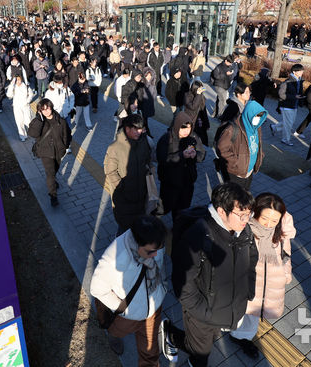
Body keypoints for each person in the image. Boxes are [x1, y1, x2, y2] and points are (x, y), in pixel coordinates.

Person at [160, 183, 258, 367]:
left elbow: (252, 259)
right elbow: (183, 282)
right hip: (203, 312)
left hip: (228, 306)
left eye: (249, 213)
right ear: (221, 211)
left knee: (208, 340)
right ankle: (171, 335)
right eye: (242, 214)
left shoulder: (243, 229)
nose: (247, 219)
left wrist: (248, 290)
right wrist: (202, 311)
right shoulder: (198, 236)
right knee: (200, 353)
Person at [89, 216, 168, 364]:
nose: (156, 254)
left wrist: (163, 285)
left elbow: (160, 265)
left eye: (159, 248)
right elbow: (97, 288)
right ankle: (113, 335)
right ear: (137, 244)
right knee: (116, 331)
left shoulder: (155, 242)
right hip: (128, 316)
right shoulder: (115, 258)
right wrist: (124, 309)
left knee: (150, 354)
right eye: (151, 252)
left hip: (153, 308)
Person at [230, 193, 296, 359]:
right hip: (245, 286)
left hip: (269, 287)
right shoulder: (243, 230)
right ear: (256, 212)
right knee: (236, 315)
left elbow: (286, 254)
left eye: (274, 221)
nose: (268, 224)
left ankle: (243, 339)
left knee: (253, 317)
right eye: (264, 218)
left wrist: (286, 274)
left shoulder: (280, 233)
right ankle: (234, 334)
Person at [104, 114, 153, 236]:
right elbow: (110, 171)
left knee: (139, 226)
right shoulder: (114, 148)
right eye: (135, 129)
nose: (139, 132)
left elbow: (148, 160)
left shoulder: (143, 142)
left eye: (141, 129)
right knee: (124, 230)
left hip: (141, 194)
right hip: (124, 199)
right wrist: (122, 187)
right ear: (127, 128)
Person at [156, 112, 206, 220]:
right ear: (177, 125)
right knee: (163, 209)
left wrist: (195, 155)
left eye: (189, 127)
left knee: (182, 212)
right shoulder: (166, 139)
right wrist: (181, 155)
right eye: (183, 128)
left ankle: (177, 232)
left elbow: (202, 154)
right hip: (170, 184)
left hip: (187, 183)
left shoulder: (194, 137)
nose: (186, 131)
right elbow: (162, 159)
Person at [215, 101, 267, 191]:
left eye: (260, 117)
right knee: (234, 199)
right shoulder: (232, 128)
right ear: (249, 114)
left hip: (249, 171)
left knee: (244, 197)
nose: (257, 119)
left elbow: (258, 143)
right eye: (256, 116)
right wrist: (236, 162)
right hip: (236, 173)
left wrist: (260, 155)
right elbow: (221, 148)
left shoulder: (257, 127)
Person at [27, 99, 70, 206]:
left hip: (58, 151)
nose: (46, 111)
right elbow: (32, 134)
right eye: (43, 110)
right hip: (46, 152)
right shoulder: (39, 121)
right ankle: (53, 195)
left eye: (47, 108)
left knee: (55, 169)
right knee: (50, 173)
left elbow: (67, 134)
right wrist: (39, 120)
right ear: (39, 111)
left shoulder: (60, 120)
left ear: (51, 107)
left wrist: (65, 146)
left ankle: (53, 181)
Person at [271, 64, 305, 146]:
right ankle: (285, 139)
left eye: (302, 70)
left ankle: (274, 127)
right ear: (294, 72)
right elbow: (281, 94)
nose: (302, 72)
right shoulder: (288, 81)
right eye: (300, 71)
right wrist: (294, 97)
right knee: (288, 124)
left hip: (294, 105)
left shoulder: (299, 80)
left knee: (289, 122)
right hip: (286, 106)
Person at [6, 74, 35, 142]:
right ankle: (22, 136)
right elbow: (9, 95)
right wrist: (11, 85)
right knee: (19, 121)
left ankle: (31, 132)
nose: (18, 81)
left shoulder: (26, 86)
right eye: (16, 80)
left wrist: (27, 101)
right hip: (17, 106)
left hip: (25, 106)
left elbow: (31, 94)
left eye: (19, 79)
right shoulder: (13, 87)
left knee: (28, 120)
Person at [182, 80, 210, 145]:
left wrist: (207, 124)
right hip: (191, 121)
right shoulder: (187, 96)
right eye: (200, 89)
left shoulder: (201, 97)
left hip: (200, 121)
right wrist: (198, 95)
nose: (201, 91)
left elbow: (203, 111)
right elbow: (193, 106)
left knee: (203, 139)